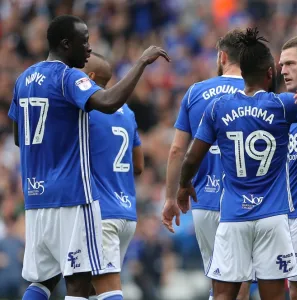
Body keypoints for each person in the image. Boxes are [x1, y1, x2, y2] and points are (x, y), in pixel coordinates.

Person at [8, 15, 169, 300]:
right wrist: (141, 62)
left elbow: (19, 138)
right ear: (66, 44)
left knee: (42, 281)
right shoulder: (68, 76)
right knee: (80, 283)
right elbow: (107, 102)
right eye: (84, 42)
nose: (89, 48)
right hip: (72, 196)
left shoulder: (23, 80)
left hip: (35, 198)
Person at [177, 28, 297, 300]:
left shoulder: (217, 109)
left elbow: (190, 158)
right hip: (273, 217)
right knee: (275, 296)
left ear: (242, 73)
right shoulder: (283, 105)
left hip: (233, 217)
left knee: (222, 295)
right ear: (270, 73)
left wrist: (184, 186)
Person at [161, 29, 250, 300]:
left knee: (219, 282)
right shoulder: (257, 92)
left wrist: (169, 197)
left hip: (203, 201)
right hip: (244, 202)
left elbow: (177, 150)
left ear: (222, 56)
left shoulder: (196, 92)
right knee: (241, 280)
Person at [81, 52, 144, 300]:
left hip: (101, 214)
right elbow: (138, 165)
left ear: (88, 77)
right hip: (126, 212)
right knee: (86, 288)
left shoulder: (85, 109)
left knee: (108, 289)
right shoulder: (127, 112)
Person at [279, 37, 297, 300]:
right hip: (290, 218)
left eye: (291, 64)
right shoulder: (286, 112)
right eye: (282, 65)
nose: (284, 70)